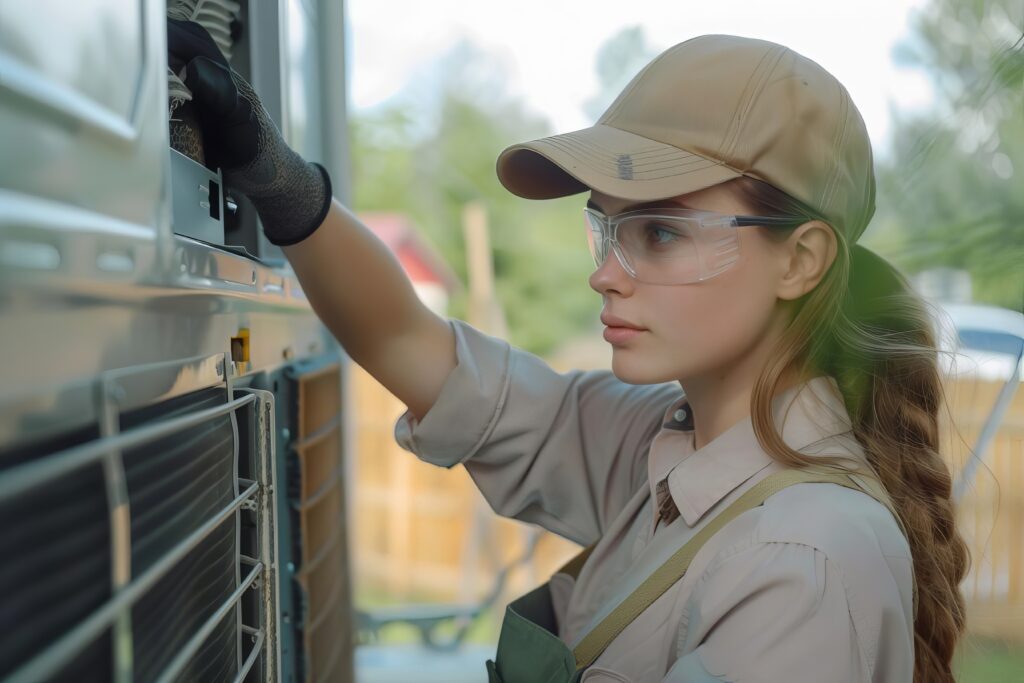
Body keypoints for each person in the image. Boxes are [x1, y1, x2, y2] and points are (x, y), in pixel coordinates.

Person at [169, 21, 969, 683]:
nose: (602, 274)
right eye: (606, 227)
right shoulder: (662, 443)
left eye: (658, 232)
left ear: (801, 259)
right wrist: (274, 177)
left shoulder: (807, 559)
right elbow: (414, 343)